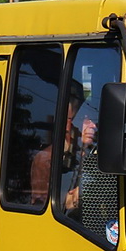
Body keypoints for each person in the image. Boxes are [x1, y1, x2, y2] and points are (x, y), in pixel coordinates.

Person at [29, 81, 96, 212]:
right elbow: (41, 208)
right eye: (85, 118)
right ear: (67, 123)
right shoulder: (45, 160)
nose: (93, 125)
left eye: (93, 119)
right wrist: (71, 201)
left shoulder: (95, 158)